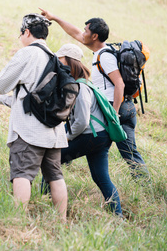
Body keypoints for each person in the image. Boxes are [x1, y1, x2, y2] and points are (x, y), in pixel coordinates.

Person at [0, 13, 68, 220]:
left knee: (22, 173)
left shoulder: (28, 54)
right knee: (55, 176)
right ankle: (62, 221)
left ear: (27, 32)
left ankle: (18, 220)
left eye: (21, 33)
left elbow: (1, 83)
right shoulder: (54, 57)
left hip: (29, 129)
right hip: (53, 132)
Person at [39, 8, 150, 180]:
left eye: (86, 31)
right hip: (126, 107)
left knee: (73, 137)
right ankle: (146, 185)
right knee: (130, 154)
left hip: (116, 108)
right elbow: (74, 32)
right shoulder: (102, 51)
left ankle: (53, 176)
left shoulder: (104, 57)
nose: (82, 33)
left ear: (95, 36)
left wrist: (113, 112)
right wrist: (54, 18)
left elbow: (119, 83)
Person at [41, 44, 123, 216]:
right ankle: (118, 216)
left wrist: (67, 137)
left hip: (90, 136)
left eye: (60, 60)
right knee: (101, 178)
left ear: (70, 63)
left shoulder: (80, 88)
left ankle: (44, 203)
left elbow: (82, 121)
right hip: (102, 137)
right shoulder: (87, 84)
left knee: (50, 163)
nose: (57, 63)